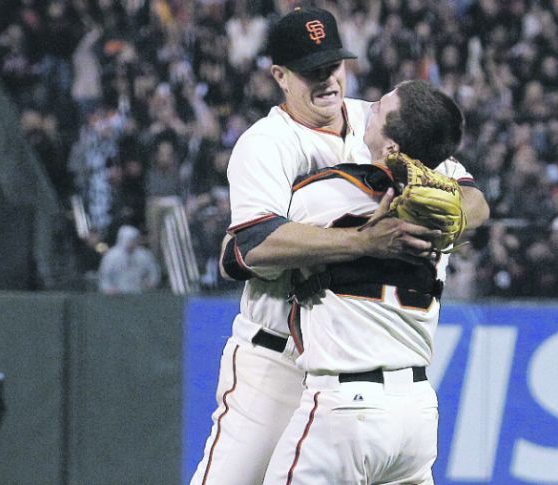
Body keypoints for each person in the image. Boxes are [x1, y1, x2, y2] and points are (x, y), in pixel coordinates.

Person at [189, 8, 485, 485]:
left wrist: (437, 226)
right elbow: (249, 248)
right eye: (312, 71)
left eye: (334, 64)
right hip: (276, 359)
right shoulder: (266, 143)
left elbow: (473, 199)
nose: (328, 78)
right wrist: (365, 241)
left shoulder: (381, 122)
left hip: (349, 368)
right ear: (280, 76)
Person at [262, 80, 488, 484]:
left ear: (392, 149)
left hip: (346, 408)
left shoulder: (325, 192)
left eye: (380, 109)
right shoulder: (447, 206)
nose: (368, 109)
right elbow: (476, 202)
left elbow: (245, 249)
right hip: (415, 413)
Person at [97, 225, 160, 294]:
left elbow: (153, 271)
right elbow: (104, 276)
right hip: (118, 296)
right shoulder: (111, 256)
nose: (132, 243)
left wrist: (151, 282)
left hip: (140, 293)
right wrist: (108, 288)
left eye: (134, 240)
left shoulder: (144, 255)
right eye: (130, 240)